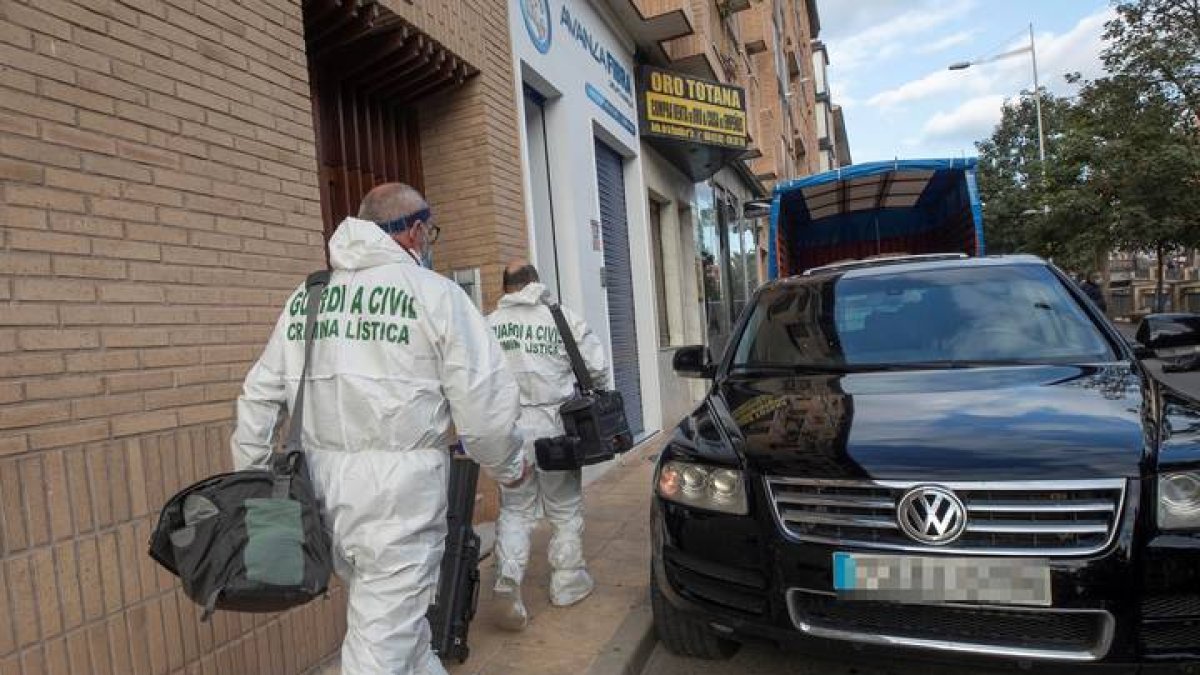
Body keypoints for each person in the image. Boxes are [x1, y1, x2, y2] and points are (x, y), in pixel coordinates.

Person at [231, 183, 529, 675]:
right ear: (414, 232)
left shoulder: (309, 298)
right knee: (379, 653)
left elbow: (259, 399)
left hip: (320, 495)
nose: (429, 243)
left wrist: (255, 482)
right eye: (429, 233)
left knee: (405, 637)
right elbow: (486, 410)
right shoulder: (436, 296)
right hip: (399, 500)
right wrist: (510, 466)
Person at [486, 261, 611, 630]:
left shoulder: (488, 324)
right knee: (564, 508)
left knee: (515, 509)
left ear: (506, 288)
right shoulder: (562, 318)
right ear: (536, 283)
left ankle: (508, 580)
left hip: (509, 431)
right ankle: (567, 583)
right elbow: (598, 370)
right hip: (556, 429)